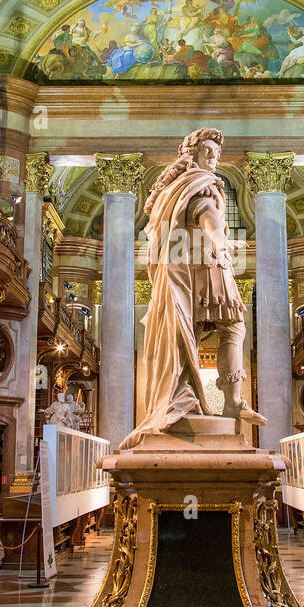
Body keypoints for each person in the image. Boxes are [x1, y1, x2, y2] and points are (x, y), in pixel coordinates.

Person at [121, 129, 265, 446]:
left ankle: (207, 398)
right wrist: (222, 243)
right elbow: (207, 214)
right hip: (206, 267)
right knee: (230, 328)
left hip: (195, 270)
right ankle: (229, 401)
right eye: (208, 153)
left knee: (197, 334)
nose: (213, 160)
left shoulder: (174, 189)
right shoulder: (197, 185)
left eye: (216, 154)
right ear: (193, 154)